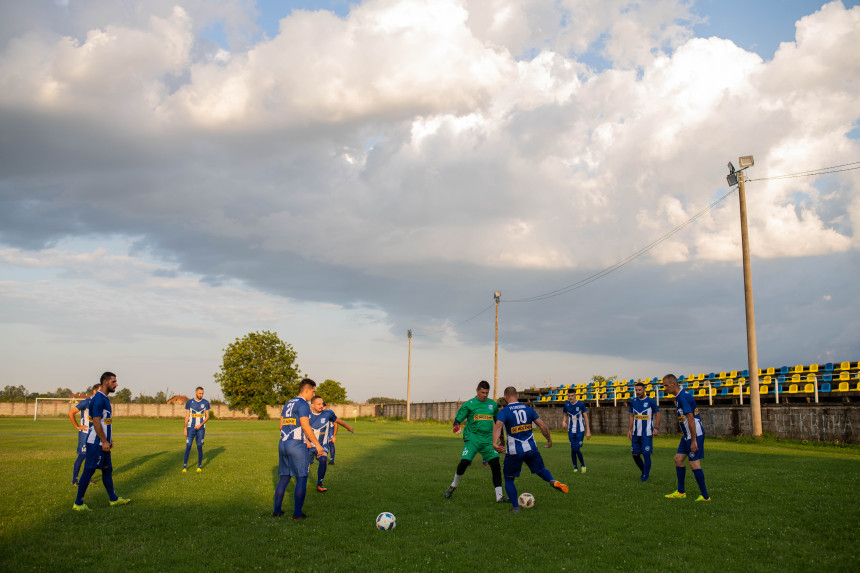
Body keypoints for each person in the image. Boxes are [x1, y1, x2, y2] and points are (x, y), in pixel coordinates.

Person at [493, 386, 568, 514]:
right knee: (540, 470)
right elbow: (543, 426)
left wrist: (494, 443)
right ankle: (552, 480)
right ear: (517, 396)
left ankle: (516, 507)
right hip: (531, 448)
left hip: (515, 451)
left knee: (509, 478)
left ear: (505, 397)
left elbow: (498, 426)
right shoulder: (528, 409)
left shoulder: (504, 411)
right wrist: (549, 440)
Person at [72, 372, 131, 511]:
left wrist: (109, 439)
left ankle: (113, 499)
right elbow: (97, 422)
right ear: (105, 382)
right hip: (96, 442)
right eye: (113, 382)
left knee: (107, 470)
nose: (116, 384)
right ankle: (78, 504)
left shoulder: (104, 399)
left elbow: (105, 422)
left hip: (103, 442)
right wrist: (104, 441)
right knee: (89, 470)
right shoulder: (98, 399)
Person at [444, 381, 506, 503]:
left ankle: (499, 497)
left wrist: (502, 437)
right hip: (472, 438)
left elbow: (498, 423)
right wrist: (456, 425)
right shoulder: (469, 404)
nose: (484, 395)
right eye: (482, 392)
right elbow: (457, 420)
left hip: (488, 440)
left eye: (487, 393)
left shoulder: (493, 405)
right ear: (477, 390)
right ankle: (453, 486)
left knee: (495, 464)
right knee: (465, 462)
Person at [273, 378, 325, 520]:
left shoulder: (288, 403)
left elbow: (281, 426)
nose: (313, 395)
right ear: (307, 390)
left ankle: (277, 512)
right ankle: (297, 514)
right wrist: (317, 444)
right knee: (302, 478)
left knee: (284, 478)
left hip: (283, 443)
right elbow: (305, 425)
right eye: (313, 392)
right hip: (296, 445)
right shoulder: (303, 404)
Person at [662, 374, 710, 501]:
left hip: (694, 435)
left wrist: (693, 440)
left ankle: (705, 496)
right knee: (678, 459)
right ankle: (681, 492)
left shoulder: (682, 397)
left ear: (673, 384)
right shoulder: (680, 396)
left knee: (694, 464)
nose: (664, 388)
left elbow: (691, 419)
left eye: (666, 386)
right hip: (687, 435)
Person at [306, 397, 354, 491]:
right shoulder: (306, 415)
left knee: (323, 459)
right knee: (305, 466)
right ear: (312, 405)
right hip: (309, 445)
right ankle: (302, 482)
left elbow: (338, 421)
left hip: (322, 445)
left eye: (322, 404)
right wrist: (306, 441)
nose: (321, 406)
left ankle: (319, 484)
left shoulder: (328, 414)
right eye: (318, 404)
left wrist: (348, 427)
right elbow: (301, 429)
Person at [627, 381, 660, 481]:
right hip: (636, 433)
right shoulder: (633, 401)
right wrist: (629, 430)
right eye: (636, 390)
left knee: (646, 454)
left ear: (644, 390)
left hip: (647, 433)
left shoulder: (650, 401)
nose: (638, 392)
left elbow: (657, 414)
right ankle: (644, 471)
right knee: (635, 455)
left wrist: (656, 427)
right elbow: (631, 416)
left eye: (640, 390)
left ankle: (645, 475)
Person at [69, 384, 100, 486]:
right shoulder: (86, 402)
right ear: (94, 391)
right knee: (82, 456)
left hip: (95, 434)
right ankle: (75, 480)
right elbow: (71, 413)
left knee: (92, 458)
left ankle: (87, 478)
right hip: (85, 434)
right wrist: (78, 426)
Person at [183, 386, 211, 473]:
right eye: (199, 393)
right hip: (191, 428)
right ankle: (184, 466)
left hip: (201, 429)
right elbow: (187, 415)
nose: (201, 395)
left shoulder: (205, 402)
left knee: (199, 447)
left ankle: (199, 466)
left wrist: (200, 425)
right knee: (188, 446)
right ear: (195, 392)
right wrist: (185, 427)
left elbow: (207, 417)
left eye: (202, 393)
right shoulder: (190, 402)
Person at [562, 392, 591, 472]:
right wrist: (564, 421)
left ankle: (583, 465)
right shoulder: (566, 405)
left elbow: (586, 417)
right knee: (573, 449)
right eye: (569, 396)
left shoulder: (581, 404)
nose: (570, 397)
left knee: (576, 448)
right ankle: (575, 467)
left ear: (575, 396)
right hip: (571, 430)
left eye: (572, 395)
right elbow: (565, 415)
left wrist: (588, 431)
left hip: (580, 430)